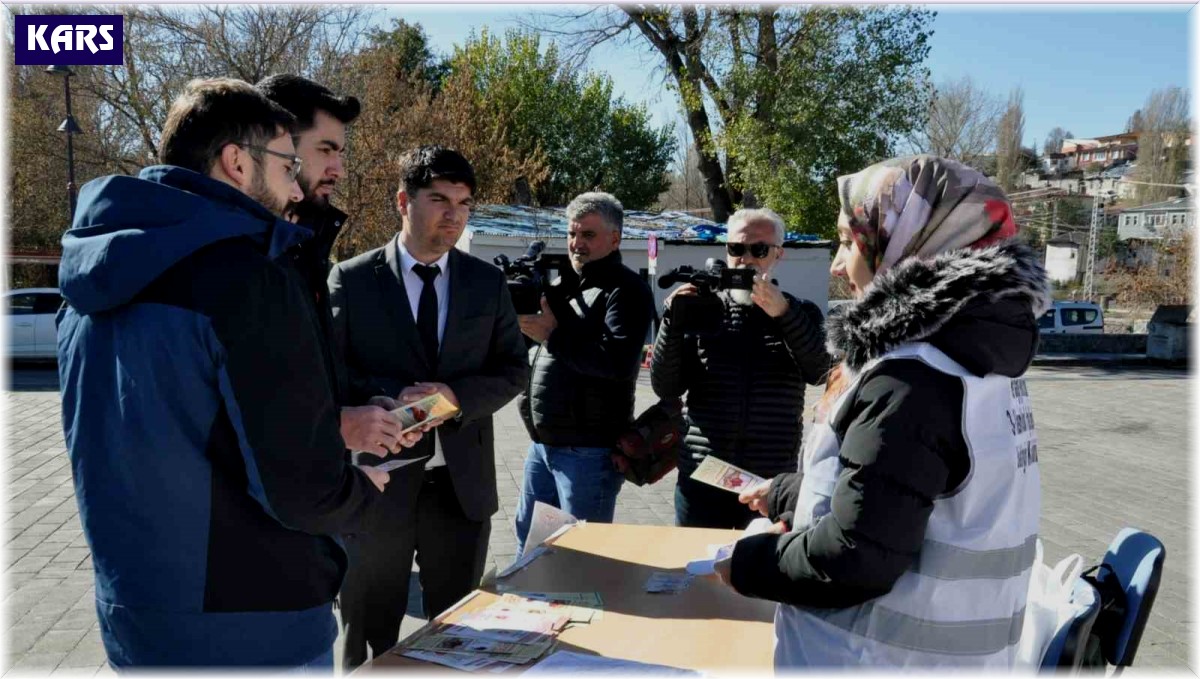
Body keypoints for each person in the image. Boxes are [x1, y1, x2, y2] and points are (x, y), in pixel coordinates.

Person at [55, 78, 389, 668]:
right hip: (255, 625)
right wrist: (359, 493)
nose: (294, 188)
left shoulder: (89, 278)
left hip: (136, 619)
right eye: (289, 164)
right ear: (237, 162)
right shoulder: (248, 275)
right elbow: (300, 485)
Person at [723, 155, 1046, 668]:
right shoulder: (982, 365)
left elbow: (854, 559)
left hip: (869, 659)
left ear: (910, 245)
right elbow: (902, 494)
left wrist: (745, 563)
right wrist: (789, 493)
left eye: (850, 241)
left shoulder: (910, 378)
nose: (836, 263)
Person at [328, 145, 527, 669]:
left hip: (460, 493)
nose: (453, 214)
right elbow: (330, 374)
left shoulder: (486, 284)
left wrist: (457, 398)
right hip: (378, 487)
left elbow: (512, 370)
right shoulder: (351, 279)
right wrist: (384, 400)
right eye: (439, 198)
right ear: (403, 201)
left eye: (464, 202)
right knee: (369, 630)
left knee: (459, 633)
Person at [257, 74, 414, 458]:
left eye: (341, 153)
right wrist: (337, 426)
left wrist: (367, 405)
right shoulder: (242, 257)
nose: (339, 169)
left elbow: (306, 375)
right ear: (277, 146)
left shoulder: (306, 251)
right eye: (326, 149)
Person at [650, 208, 830, 529]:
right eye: (737, 249)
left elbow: (819, 371)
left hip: (768, 480)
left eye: (758, 250)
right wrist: (672, 322)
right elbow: (666, 387)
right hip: (704, 476)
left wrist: (785, 315)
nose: (746, 259)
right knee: (695, 572)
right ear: (726, 251)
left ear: (778, 255)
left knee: (759, 575)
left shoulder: (802, 311)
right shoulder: (704, 310)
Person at [513, 191, 655, 553]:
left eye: (588, 235)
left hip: (588, 452)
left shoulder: (626, 291)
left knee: (581, 554)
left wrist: (551, 335)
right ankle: (527, 609)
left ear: (615, 238)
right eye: (572, 234)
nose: (577, 244)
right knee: (529, 546)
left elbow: (616, 363)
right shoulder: (564, 285)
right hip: (543, 444)